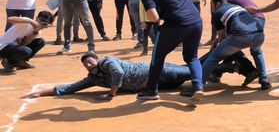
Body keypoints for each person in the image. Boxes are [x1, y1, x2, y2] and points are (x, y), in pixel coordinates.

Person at [127, 0, 203, 102]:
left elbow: (154, 18)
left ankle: (151, 90)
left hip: (176, 25)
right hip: (195, 20)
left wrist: (153, 14)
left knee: (157, 57)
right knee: (192, 57)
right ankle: (198, 87)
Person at [23, 51, 237, 100]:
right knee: (191, 72)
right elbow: (72, 87)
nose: (89, 64)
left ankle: (230, 65)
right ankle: (223, 60)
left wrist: (111, 94)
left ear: (96, 60)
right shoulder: (94, 78)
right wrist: (42, 92)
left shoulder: (108, 62)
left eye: (90, 60)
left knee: (193, 70)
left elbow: (117, 74)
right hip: (157, 85)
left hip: (156, 72)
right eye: (86, 63)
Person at [201, 0, 271, 91]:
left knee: (215, 56)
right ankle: (264, 80)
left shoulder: (217, 13)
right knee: (257, 52)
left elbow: (222, 38)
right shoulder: (237, 7)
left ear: (217, 4)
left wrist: (216, 48)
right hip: (258, 32)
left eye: (211, 5)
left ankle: (198, 86)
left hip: (242, 34)